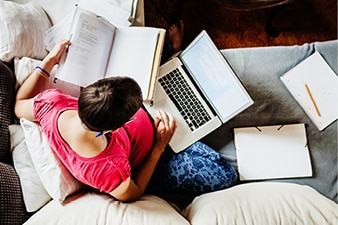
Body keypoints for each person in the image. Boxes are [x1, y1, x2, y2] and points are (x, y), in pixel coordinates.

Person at [14, 25, 238, 203]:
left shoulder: (52, 103)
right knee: (225, 176)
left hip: (147, 113)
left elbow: (18, 105)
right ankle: (173, 56)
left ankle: (173, 55)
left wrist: (49, 61)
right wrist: (159, 146)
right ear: (114, 129)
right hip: (155, 154)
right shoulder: (106, 169)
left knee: (156, 57)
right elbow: (134, 193)